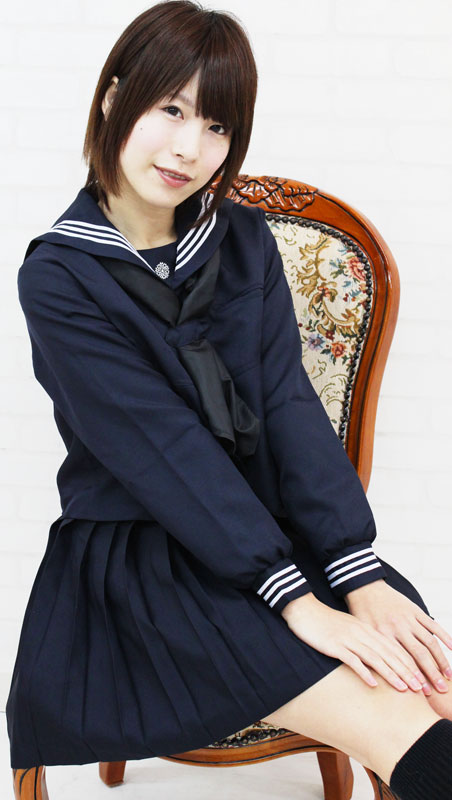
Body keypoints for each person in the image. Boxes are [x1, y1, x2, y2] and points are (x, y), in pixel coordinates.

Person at [6, 2, 452, 798]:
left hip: (269, 533)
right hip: (143, 560)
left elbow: (287, 406)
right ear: (113, 98)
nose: (190, 147)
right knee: (406, 729)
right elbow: (163, 452)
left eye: (217, 125)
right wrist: (297, 601)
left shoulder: (242, 240)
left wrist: (356, 573)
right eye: (170, 109)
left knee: (437, 689)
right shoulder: (59, 276)